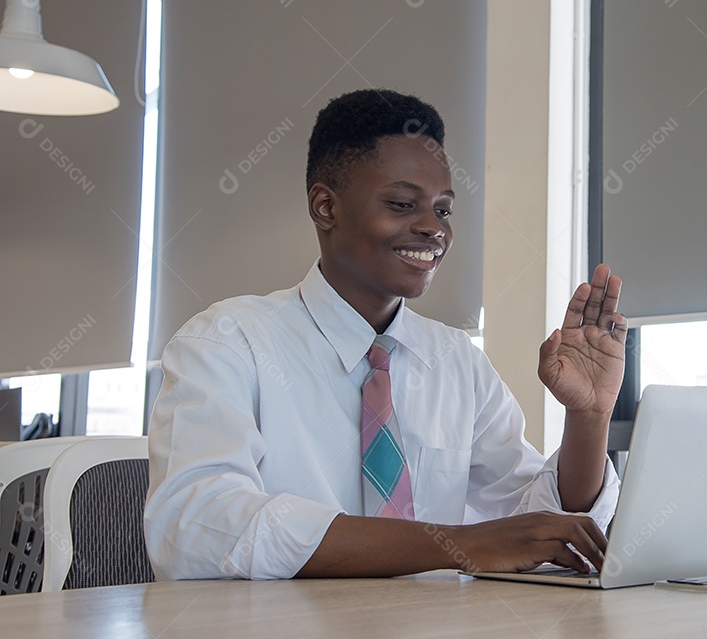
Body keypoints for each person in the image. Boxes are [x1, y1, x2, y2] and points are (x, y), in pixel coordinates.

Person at [144, 89, 628, 580]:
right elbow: (195, 524)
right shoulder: (227, 344)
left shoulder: (456, 362)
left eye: (443, 210)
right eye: (402, 204)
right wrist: (457, 545)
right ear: (325, 207)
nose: (433, 229)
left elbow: (536, 522)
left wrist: (588, 418)